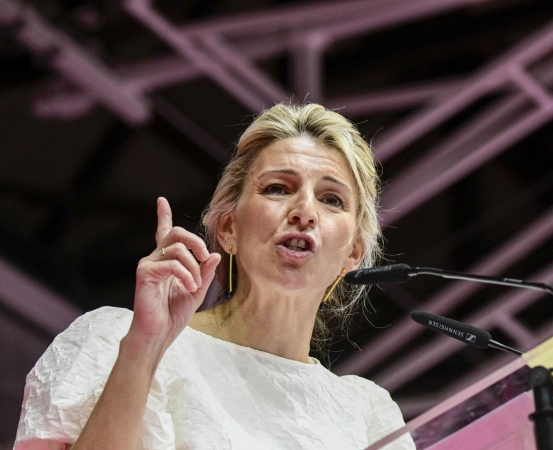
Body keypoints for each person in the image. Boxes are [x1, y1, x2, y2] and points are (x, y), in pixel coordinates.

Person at [14, 103, 416, 449]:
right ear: (228, 229)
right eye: (278, 188)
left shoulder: (368, 415)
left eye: (331, 200)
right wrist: (145, 347)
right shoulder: (115, 337)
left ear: (353, 253)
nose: (305, 211)